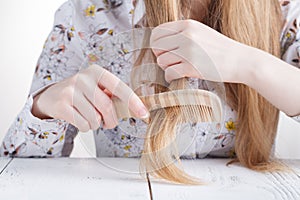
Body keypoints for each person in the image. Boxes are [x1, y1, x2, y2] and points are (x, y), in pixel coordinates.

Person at [0, 0, 300, 183]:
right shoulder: (87, 13)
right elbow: (16, 167)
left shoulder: (283, 11)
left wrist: (251, 64)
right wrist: (45, 106)